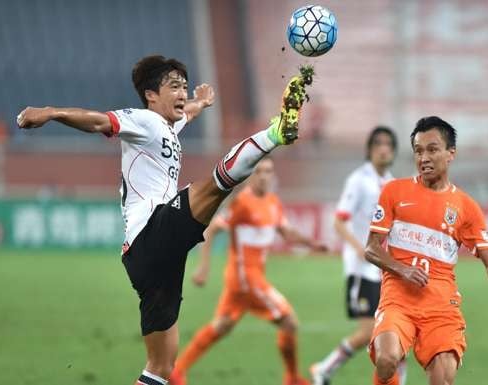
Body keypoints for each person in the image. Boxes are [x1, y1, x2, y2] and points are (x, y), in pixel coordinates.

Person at [16, 55, 314, 385]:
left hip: (147, 258)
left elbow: (187, 114)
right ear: (150, 95)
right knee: (216, 186)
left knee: (160, 368)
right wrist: (50, 113)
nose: (182, 93)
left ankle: (274, 134)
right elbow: (99, 121)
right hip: (151, 232)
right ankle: (275, 133)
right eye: (174, 86)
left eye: (185, 86)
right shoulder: (143, 120)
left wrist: (201, 102)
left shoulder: (168, 125)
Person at [365, 116, 488, 385]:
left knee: (442, 379)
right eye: (418, 150)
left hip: (441, 306)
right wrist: (403, 270)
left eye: (432, 149)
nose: (424, 157)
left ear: (451, 154)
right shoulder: (394, 191)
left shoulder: (466, 207)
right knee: (386, 360)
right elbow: (371, 249)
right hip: (398, 299)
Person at [169, 157, 327, 385]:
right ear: (251, 175)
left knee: (221, 325)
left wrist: (312, 244)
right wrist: (203, 267)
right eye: (259, 171)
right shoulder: (241, 203)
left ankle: (178, 371)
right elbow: (213, 228)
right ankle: (292, 377)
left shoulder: (273, 202)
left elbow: (287, 232)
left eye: (268, 172)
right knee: (289, 321)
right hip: (246, 279)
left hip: (244, 281)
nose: (264, 176)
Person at [311, 127, 407, 385]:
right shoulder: (358, 180)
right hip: (362, 269)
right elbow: (339, 222)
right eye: (378, 143)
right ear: (369, 149)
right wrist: (359, 249)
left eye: (389, 144)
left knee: (398, 332)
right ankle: (324, 369)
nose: (384, 148)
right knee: (368, 332)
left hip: (386, 271)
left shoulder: (392, 183)